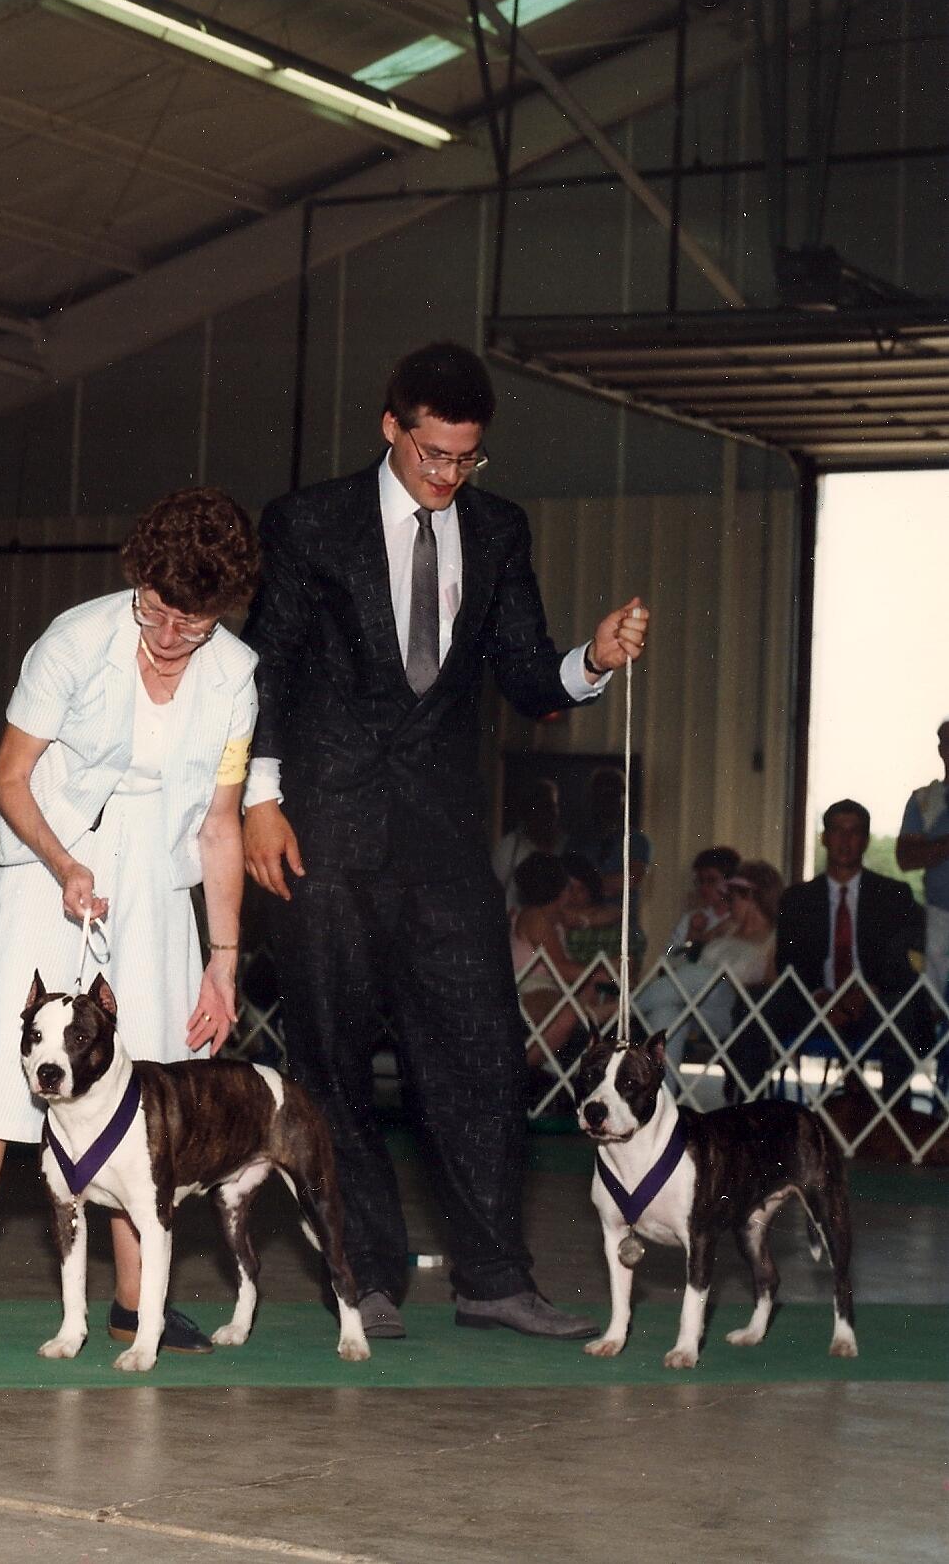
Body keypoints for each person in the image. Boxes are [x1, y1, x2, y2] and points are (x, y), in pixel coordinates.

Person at [242, 341, 650, 1341]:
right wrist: (255, 796)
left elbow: (522, 674)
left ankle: (494, 1279)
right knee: (330, 1061)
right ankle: (364, 1278)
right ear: (391, 427)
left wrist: (588, 662)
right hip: (318, 828)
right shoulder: (309, 522)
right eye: (431, 454)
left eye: (464, 459)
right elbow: (265, 668)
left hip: (442, 839)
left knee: (477, 1050)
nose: (446, 476)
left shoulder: (499, 530)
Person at [0, 487, 260, 1357]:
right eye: (155, 610)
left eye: (190, 624)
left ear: (220, 612)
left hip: (156, 884)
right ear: (138, 579)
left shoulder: (235, 676)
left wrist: (223, 959)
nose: (166, 637)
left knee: (148, 1091)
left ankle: (132, 1304)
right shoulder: (75, 640)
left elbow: (222, 823)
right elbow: (9, 777)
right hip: (46, 864)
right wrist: (64, 860)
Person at [757, 800, 925, 1105]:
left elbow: (902, 963)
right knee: (750, 1010)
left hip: (872, 1003)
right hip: (816, 1002)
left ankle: (898, 1120)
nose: (845, 840)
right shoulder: (797, 898)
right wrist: (821, 996)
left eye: (855, 832)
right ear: (824, 837)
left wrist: (865, 994)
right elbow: (788, 962)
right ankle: (747, 1114)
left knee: (905, 1013)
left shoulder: (894, 895)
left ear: (866, 839)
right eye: (837, 831)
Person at [633, 862, 779, 1075]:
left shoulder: (774, 938)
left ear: (752, 898)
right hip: (696, 1003)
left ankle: (624, 1011)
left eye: (733, 898)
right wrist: (693, 932)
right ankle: (663, 1096)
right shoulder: (728, 926)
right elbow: (691, 953)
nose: (728, 904)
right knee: (665, 1015)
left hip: (734, 1009)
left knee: (703, 976)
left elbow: (771, 984)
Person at [509, 852, 611, 1066]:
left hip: (551, 990)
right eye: (568, 886)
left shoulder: (553, 916)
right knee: (568, 1016)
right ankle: (517, 1071)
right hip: (530, 992)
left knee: (588, 994)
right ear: (558, 889)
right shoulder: (536, 918)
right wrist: (603, 973)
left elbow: (595, 917)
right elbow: (561, 968)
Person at [569, 765, 651, 952]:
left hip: (622, 931)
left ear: (624, 798)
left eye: (613, 794)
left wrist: (590, 884)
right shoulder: (577, 841)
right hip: (582, 927)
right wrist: (605, 884)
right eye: (601, 794)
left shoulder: (637, 841)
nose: (606, 800)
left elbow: (631, 879)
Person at [897, 719, 949, 1004]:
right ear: (941, 749)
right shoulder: (924, 800)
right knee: (934, 1002)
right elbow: (906, 858)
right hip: (939, 915)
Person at [492, 778, 561, 912]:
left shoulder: (566, 846)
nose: (546, 814)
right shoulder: (508, 848)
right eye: (540, 807)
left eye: (550, 806)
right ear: (527, 810)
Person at [663, 845, 742, 959]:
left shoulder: (740, 920)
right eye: (700, 881)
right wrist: (691, 933)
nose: (704, 887)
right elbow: (668, 961)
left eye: (711, 880)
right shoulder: (690, 919)